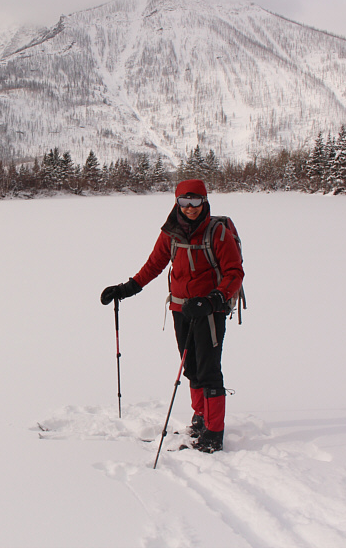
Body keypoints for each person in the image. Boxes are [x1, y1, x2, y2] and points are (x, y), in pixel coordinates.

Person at [100, 179, 244, 453]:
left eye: (196, 202)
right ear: (176, 202)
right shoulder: (171, 233)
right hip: (180, 308)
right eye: (184, 202)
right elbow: (154, 264)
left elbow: (234, 273)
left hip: (210, 311)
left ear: (205, 201)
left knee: (209, 370)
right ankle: (200, 417)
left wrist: (213, 299)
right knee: (190, 367)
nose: (190, 208)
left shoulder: (218, 233)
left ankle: (214, 434)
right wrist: (125, 289)